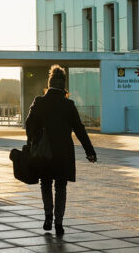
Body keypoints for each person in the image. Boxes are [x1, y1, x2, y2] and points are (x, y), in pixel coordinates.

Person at [25, 65, 96, 237]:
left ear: (49, 84)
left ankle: (48, 215)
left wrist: (33, 139)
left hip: (44, 153)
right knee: (61, 187)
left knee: (46, 183)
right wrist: (90, 151)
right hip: (63, 153)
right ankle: (59, 222)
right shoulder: (68, 105)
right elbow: (79, 129)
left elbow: (28, 125)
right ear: (63, 85)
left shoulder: (39, 102)